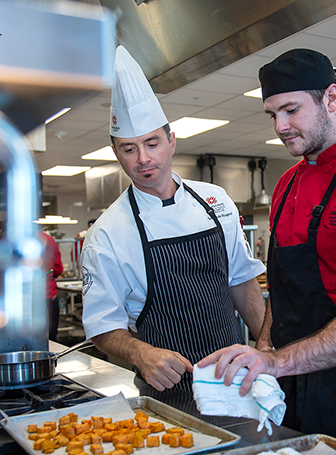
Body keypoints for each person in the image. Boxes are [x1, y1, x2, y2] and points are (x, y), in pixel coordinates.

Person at [200, 49, 336, 454]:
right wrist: (262, 354)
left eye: (291, 110)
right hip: (288, 385)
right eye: (272, 114)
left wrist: (278, 361)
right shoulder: (286, 184)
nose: (280, 126)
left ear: (332, 98)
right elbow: (282, 288)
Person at [80, 46, 266, 399]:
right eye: (129, 148)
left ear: (172, 141)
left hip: (236, 379)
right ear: (116, 152)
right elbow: (103, 325)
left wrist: (268, 351)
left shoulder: (215, 201)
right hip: (165, 387)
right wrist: (140, 353)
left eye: (152, 143)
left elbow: (242, 281)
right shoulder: (106, 234)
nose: (144, 159)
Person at [38, 231, 64, 341]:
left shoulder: (13, 240)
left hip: (25, 299)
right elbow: (58, 269)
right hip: (48, 295)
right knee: (50, 337)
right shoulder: (47, 239)